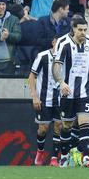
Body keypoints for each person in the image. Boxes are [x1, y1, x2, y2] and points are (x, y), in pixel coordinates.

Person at [52, 15, 89, 168]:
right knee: (66, 126)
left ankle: (85, 158)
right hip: (67, 92)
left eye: (85, 30)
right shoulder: (63, 42)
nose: (82, 32)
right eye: (80, 30)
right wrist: (61, 82)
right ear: (73, 29)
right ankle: (65, 155)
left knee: (85, 123)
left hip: (85, 91)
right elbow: (56, 66)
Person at [29, 36, 62, 167]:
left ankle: (54, 157)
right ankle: (40, 151)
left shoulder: (66, 56)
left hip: (60, 98)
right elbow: (32, 76)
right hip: (44, 98)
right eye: (58, 42)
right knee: (43, 128)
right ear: (53, 42)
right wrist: (34, 96)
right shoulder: (43, 56)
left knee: (58, 126)